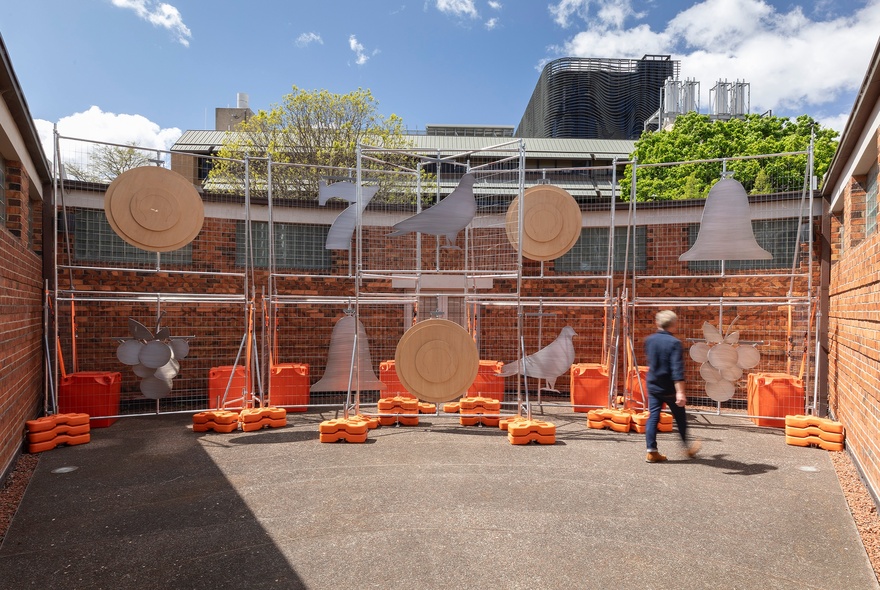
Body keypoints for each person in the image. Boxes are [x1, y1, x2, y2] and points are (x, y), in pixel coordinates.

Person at [643, 310, 700, 463]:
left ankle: (651, 451)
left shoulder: (649, 340)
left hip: (653, 384)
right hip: (669, 387)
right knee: (680, 418)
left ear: (657, 323)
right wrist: (680, 392)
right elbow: (677, 369)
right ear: (674, 325)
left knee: (653, 416)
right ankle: (687, 449)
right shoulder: (675, 343)